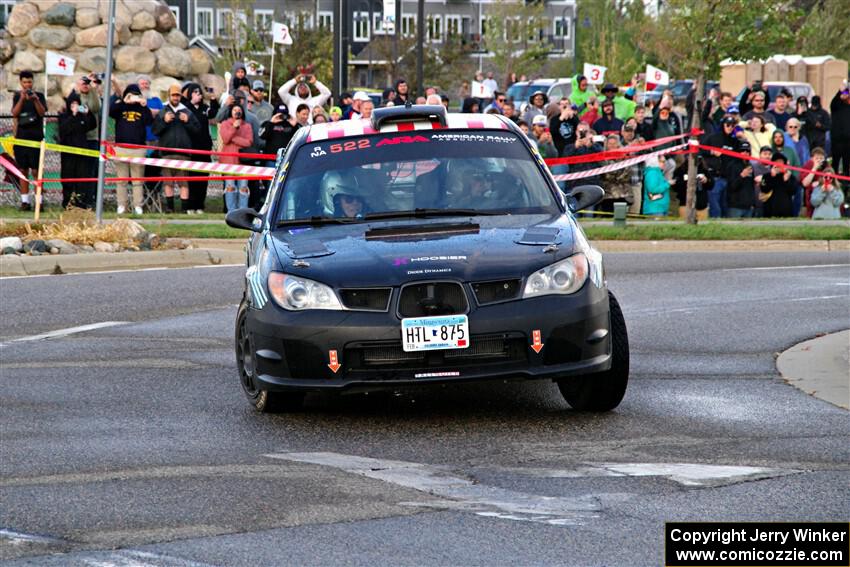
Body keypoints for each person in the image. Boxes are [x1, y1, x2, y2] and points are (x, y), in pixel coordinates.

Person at [152, 84, 201, 213]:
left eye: (178, 95)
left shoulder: (187, 112)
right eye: (173, 95)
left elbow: (197, 131)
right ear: (169, 96)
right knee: (168, 182)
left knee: (183, 182)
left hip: (183, 153)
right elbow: (155, 131)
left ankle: (184, 210)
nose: (175, 97)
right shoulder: (163, 111)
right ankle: (170, 208)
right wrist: (164, 121)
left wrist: (188, 121)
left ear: (180, 96)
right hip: (166, 153)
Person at [109, 84, 153, 215]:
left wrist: (144, 105)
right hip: (121, 148)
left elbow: (149, 121)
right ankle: (121, 205)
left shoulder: (142, 108)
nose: (133, 97)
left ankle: (138, 205)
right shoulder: (121, 106)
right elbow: (111, 111)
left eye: (136, 94)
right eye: (130, 94)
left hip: (138, 148)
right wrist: (124, 101)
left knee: (137, 180)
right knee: (121, 179)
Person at [11, 70, 47, 211]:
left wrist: (35, 99)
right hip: (21, 139)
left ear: (33, 82)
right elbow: (14, 113)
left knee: (37, 171)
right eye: (25, 82)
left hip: (36, 139)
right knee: (23, 171)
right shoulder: (17, 97)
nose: (27, 85)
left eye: (29, 82)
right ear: (21, 82)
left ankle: (39, 201)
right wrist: (21, 98)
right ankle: (25, 202)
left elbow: (42, 112)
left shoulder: (39, 96)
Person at [57, 91, 96, 209]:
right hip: (68, 153)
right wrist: (73, 116)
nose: (75, 105)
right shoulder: (64, 117)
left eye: (77, 103)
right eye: (72, 103)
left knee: (81, 177)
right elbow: (63, 130)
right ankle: (68, 201)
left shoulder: (82, 117)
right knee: (68, 177)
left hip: (82, 151)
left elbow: (92, 125)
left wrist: (88, 113)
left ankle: (80, 201)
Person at [181, 82, 214, 214]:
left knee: (202, 179)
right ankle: (190, 205)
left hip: (204, 148)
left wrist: (213, 98)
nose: (198, 95)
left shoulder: (204, 108)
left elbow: (214, 113)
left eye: (199, 92)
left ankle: (200, 205)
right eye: (195, 92)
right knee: (191, 178)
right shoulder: (185, 108)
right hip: (190, 148)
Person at [219, 104, 254, 210]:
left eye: (239, 110)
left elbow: (248, 142)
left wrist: (233, 138)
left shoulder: (247, 126)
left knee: (243, 187)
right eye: (235, 110)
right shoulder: (225, 124)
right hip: (228, 161)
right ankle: (231, 212)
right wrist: (234, 128)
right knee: (230, 187)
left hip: (243, 161)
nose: (237, 112)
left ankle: (242, 211)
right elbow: (225, 139)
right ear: (231, 112)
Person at [599, 135, 634, 212]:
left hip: (623, 194)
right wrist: (619, 173)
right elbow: (606, 175)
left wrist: (617, 176)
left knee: (621, 219)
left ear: (618, 144)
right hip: (608, 195)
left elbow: (629, 172)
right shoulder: (602, 158)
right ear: (606, 145)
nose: (612, 146)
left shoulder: (625, 157)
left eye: (614, 143)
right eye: (610, 144)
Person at [760, 152, 795, 217]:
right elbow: (764, 189)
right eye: (776, 161)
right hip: (770, 211)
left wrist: (786, 180)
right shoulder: (766, 176)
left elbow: (793, 191)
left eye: (780, 161)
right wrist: (772, 176)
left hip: (786, 212)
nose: (778, 164)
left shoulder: (790, 176)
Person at [802, 148, 831, 218]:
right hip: (812, 199)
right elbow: (805, 183)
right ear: (812, 159)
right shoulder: (808, 166)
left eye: (821, 158)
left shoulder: (827, 167)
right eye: (816, 158)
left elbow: (832, 180)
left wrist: (819, 183)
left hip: (826, 198)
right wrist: (814, 168)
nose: (819, 160)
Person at [830, 82, 850, 181]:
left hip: (848, 141)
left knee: (847, 164)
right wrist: (840, 92)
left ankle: (846, 184)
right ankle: (834, 180)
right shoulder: (836, 106)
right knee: (835, 163)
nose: (846, 96)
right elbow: (833, 104)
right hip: (837, 140)